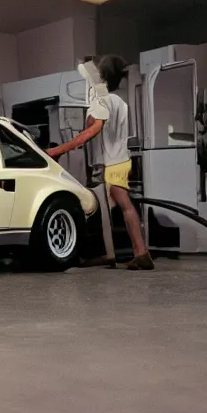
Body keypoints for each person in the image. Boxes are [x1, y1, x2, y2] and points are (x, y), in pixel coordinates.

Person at [47, 55, 154, 271]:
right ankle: (111, 255)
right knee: (101, 210)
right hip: (120, 161)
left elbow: (90, 132)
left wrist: (57, 151)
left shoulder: (103, 102)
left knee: (121, 207)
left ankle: (140, 253)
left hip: (113, 164)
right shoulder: (119, 102)